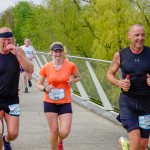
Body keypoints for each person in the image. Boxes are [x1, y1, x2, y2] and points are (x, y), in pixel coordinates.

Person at [107, 24, 150, 150]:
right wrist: (118, 82)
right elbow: (109, 74)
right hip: (128, 102)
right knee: (136, 139)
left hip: (146, 103)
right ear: (129, 35)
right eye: (137, 35)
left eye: (143, 35)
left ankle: (126, 145)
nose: (140, 38)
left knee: (142, 145)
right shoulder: (120, 55)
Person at [36, 42, 81, 150]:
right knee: (54, 130)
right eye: (55, 51)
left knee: (64, 131)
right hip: (49, 101)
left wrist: (72, 81)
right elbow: (38, 84)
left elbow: (78, 76)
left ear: (63, 52)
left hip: (64, 101)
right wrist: (45, 88)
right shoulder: (46, 67)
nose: (58, 54)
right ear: (51, 53)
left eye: (60, 51)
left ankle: (59, 140)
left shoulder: (70, 65)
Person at [0, 27, 34, 150]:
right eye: (4, 40)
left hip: (12, 100)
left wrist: (18, 55)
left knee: (13, 133)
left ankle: (6, 140)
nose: (7, 43)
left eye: (9, 40)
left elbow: (30, 69)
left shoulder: (18, 51)